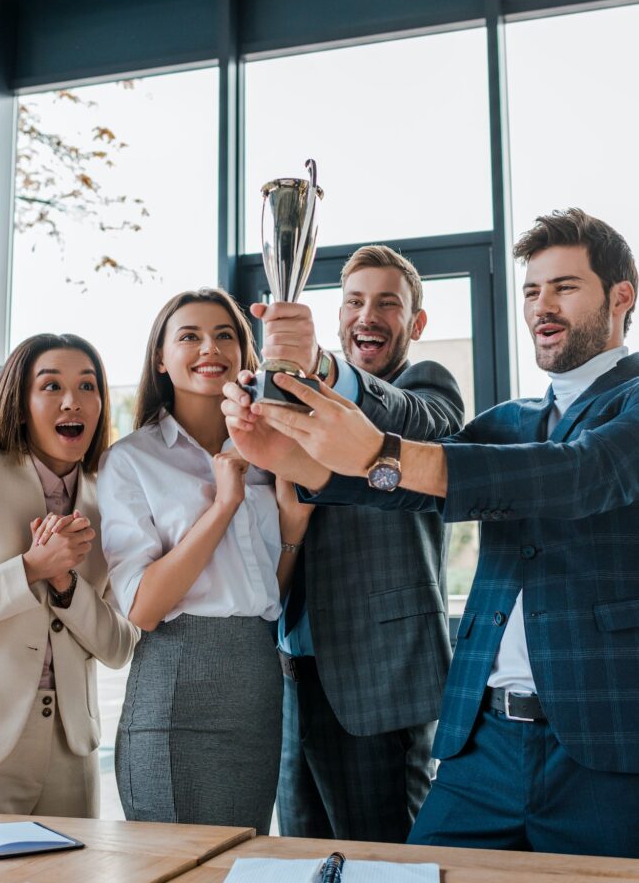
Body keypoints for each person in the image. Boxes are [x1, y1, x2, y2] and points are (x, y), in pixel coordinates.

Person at [223, 209, 639, 857]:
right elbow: (405, 484)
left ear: (621, 296)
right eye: (531, 290)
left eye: (564, 287)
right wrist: (288, 458)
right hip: (484, 747)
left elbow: (580, 475)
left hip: (606, 745)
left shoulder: (631, 405)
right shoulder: (513, 420)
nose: (541, 306)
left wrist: (376, 449)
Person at [255, 245, 463, 842]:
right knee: (303, 854)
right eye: (354, 301)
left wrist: (324, 370)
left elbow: (422, 424)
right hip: (296, 673)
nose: (367, 315)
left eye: (387, 304)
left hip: (380, 679)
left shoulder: (426, 386)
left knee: (381, 860)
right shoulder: (298, 400)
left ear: (415, 324)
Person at [98, 288, 304, 832]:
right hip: (175, 682)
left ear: (244, 355)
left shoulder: (272, 455)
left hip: (257, 681)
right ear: (161, 360)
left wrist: (293, 526)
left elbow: (267, 595)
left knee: (245, 856)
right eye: (188, 336)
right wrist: (224, 502)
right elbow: (142, 608)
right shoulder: (131, 460)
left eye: (225, 335)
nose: (209, 347)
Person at [0, 332, 139, 817]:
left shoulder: (111, 500)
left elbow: (119, 647)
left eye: (87, 385)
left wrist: (66, 585)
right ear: (19, 405)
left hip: (72, 748)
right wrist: (30, 568)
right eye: (51, 386)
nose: (72, 401)